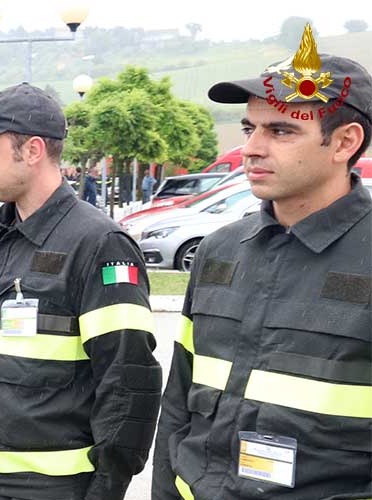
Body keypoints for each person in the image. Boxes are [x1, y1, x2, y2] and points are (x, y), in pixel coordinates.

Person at [154, 51, 372, 500]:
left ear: (345, 143)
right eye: (250, 128)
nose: (251, 148)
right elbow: (178, 404)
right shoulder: (219, 250)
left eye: (281, 130)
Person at [0, 83, 161, 500]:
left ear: (33, 150)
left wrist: (105, 491)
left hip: (55, 489)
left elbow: (128, 384)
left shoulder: (99, 243)